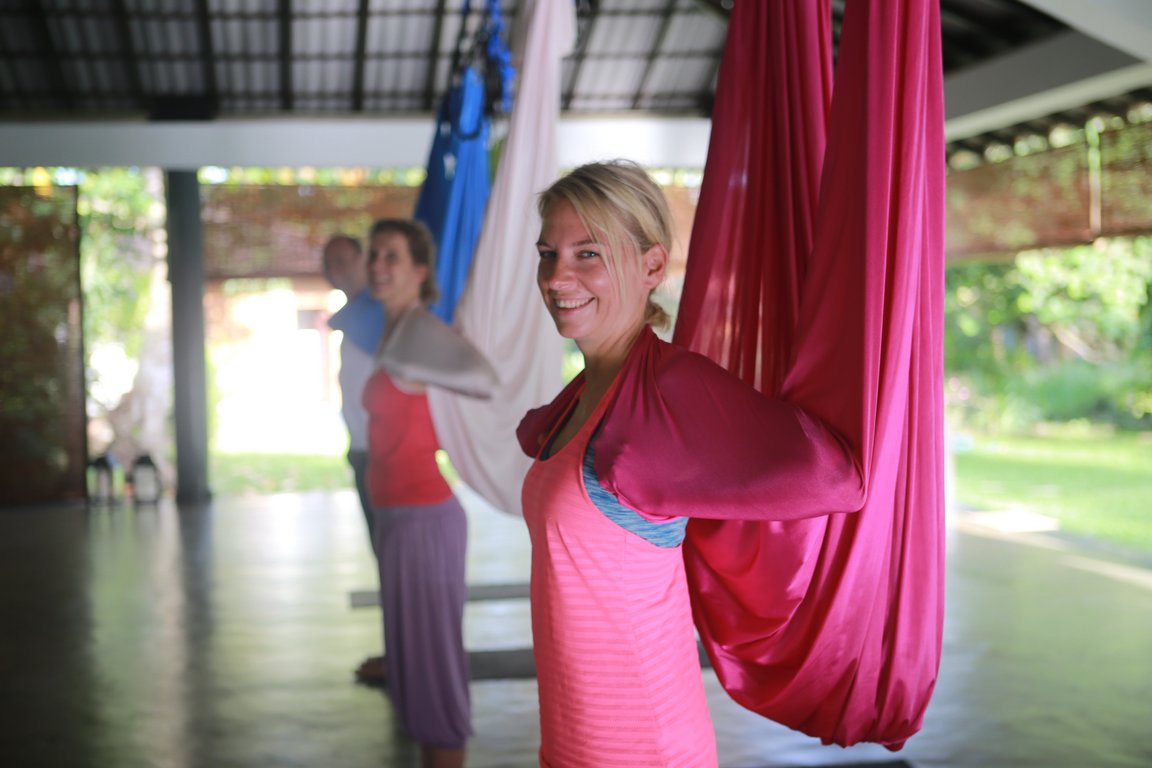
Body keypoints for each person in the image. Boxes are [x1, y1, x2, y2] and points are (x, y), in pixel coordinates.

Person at [517, 160, 864, 766]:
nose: (556, 276)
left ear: (652, 265)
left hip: (643, 743)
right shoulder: (589, 392)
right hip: (575, 736)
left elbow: (832, 478)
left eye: (588, 253)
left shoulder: (669, 386)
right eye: (548, 254)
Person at [364, 218, 497, 768]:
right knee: (413, 676)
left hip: (425, 519)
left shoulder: (419, 333)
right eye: (375, 255)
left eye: (391, 256)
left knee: (434, 679)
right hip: (398, 519)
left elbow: (483, 378)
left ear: (420, 271)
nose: (378, 265)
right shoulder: (395, 334)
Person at [321, 234, 391, 687]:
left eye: (346, 259)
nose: (338, 268)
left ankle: (401, 655)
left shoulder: (374, 316)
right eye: (330, 262)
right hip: (364, 451)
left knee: (393, 557)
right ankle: (398, 652)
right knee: (385, 557)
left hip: (384, 454)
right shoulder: (355, 319)